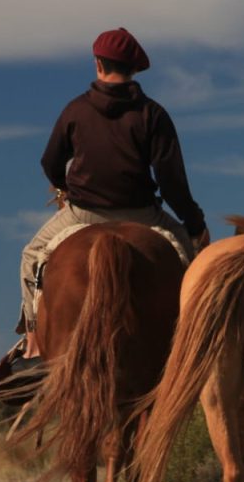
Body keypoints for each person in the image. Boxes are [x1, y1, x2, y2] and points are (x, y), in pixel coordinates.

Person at [11, 27, 209, 371]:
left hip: (82, 216)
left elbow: (50, 162)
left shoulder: (75, 110)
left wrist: (64, 188)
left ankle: (34, 347)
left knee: (30, 257)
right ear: (133, 70)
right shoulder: (153, 114)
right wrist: (195, 226)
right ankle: (197, 350)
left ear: (98, 64)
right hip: (143, 216)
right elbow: (171, 180)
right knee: (194, 267)